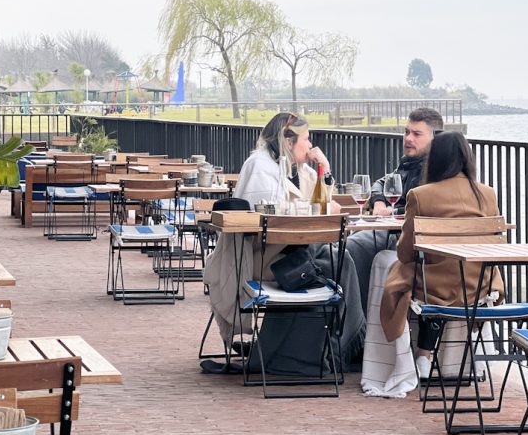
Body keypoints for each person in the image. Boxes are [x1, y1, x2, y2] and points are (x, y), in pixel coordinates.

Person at [202, 112, 366, 375]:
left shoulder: (297, 170)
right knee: (339, 263)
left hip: (289, 255)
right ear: (288, 142)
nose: (310, 146)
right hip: (262, 260)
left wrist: (325, 170)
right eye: (306, 139)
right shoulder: (261, 166)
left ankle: (325, 350)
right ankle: (335, 350)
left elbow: (320, 204)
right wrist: (321, 211)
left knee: (342, 260)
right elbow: (272, 218)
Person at [379, 131, 502, 378]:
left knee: (396, 268)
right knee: (472, 273)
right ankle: (474, 353)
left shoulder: (421, 195)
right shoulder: (487, 194)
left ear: (434, 159)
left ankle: (419, 356)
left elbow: (405, 253)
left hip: (434, 285)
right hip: (478, 285)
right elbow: (496, 245)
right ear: (468, 158)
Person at [346, 107, 444, 315]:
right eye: (406, 132)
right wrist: (380, 202)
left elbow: (420, 205)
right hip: (391, 232)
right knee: (342, 249)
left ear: (434, 139)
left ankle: (357, 322)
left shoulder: (433, 168)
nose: (408, 139)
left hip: (408, 240)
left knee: (350, 249)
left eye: (417, 134)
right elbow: (382, 182)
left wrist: (392, 209)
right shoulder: (408, 164)